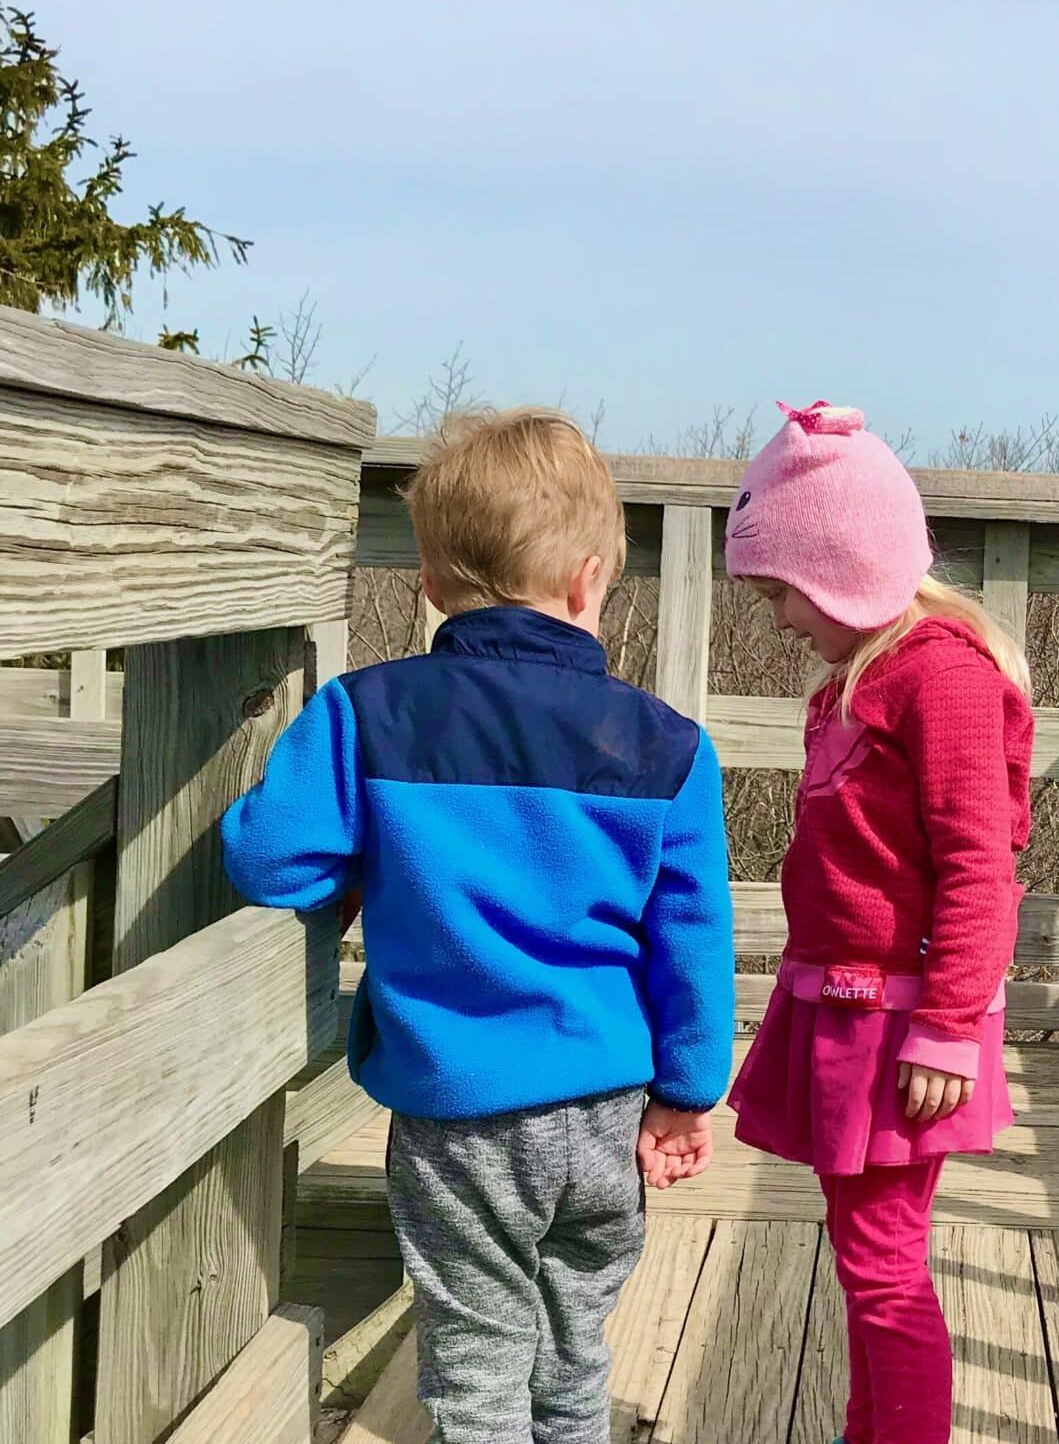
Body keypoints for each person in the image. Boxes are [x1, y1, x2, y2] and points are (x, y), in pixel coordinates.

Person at [222, 407, 736, 1444]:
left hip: (458, 1113)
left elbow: (269, 857)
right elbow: (693, 937)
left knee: (473, 1359)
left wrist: (366, 854)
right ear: (590, 581)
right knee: (574, 1349)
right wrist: (687, 1094)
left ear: (428, 585)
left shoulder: (367, 714)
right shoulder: (669, 747)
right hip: (604, 1108)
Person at [725, 400, 1034, 1444]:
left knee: (883, 1268)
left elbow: (977, 868)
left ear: (842, 566)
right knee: (871, 1259)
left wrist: (949, 1024)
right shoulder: (865, 679)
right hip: (850, 1011)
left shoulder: (938, 676)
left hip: (902, 1025)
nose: (779, 618)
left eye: (784, 592)